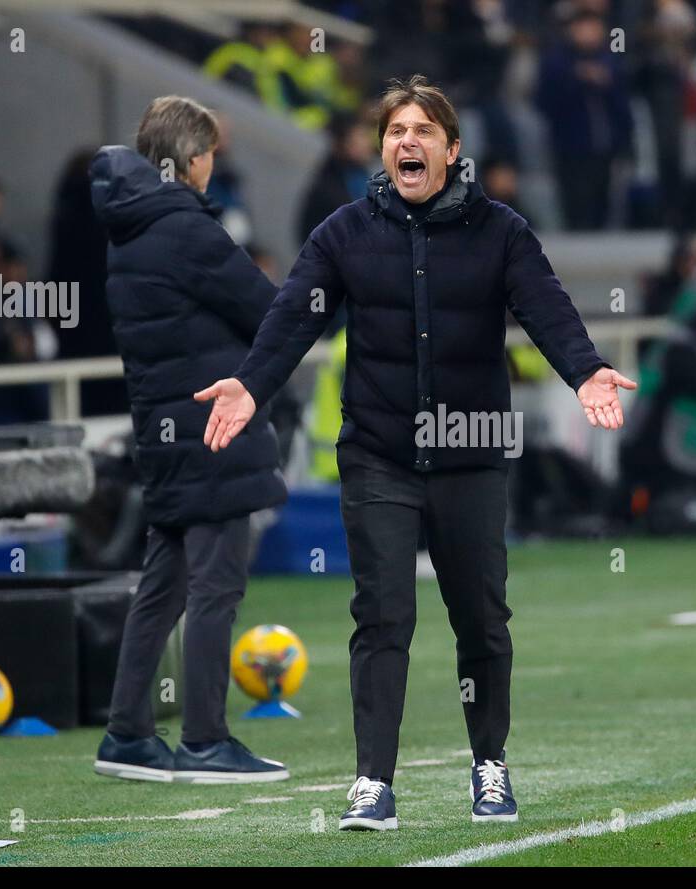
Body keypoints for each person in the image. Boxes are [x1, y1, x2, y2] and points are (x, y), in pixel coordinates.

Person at [196, 75, 637, 829]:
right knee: (382, 614)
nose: (409, 141)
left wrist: (585, 368)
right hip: (378, 455)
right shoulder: (342, 232)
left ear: (451, 149)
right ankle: (374, 781)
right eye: (396, 130)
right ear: (382, 148)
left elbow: (546, 307)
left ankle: (489, 765)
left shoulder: (501, 231)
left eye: (423, 130)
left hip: (470, 455)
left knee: (482, 619)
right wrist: (250, 384)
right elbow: (292, 318)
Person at [88, 95, 289, 784]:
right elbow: (267, 310)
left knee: (164, 584)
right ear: (192, 159)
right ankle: (204, 739)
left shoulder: (127, 231)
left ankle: (127, 732)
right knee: (215, 587)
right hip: (213, 428)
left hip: (163, 431)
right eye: (210, 156)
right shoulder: (186, 228)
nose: (212, 169)